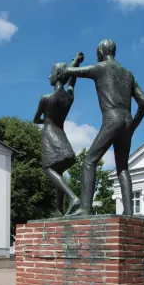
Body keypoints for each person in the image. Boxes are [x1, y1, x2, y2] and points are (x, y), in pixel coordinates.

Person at [56, 39, 144, 216]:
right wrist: (133, 126)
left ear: (100, 51)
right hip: (127, 120)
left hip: (112, 118)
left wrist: (74, 62)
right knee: (123, 167)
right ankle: (129, 212)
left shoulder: (101, 67)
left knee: (89, 161)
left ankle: (85, 207)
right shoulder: (128, 74)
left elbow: (66, 72)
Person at [33, 52, 84, 216]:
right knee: (59, 172)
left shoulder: (45, 98)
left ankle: (73, 198)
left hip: (49, 134)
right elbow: (72, 82)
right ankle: (59, 209)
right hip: (61, 134)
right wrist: (75, 64)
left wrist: (46, 121)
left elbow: (35, 119)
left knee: (48, 168)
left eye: (51, 73)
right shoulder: (69, 98)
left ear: (57, 75)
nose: (49, 76)